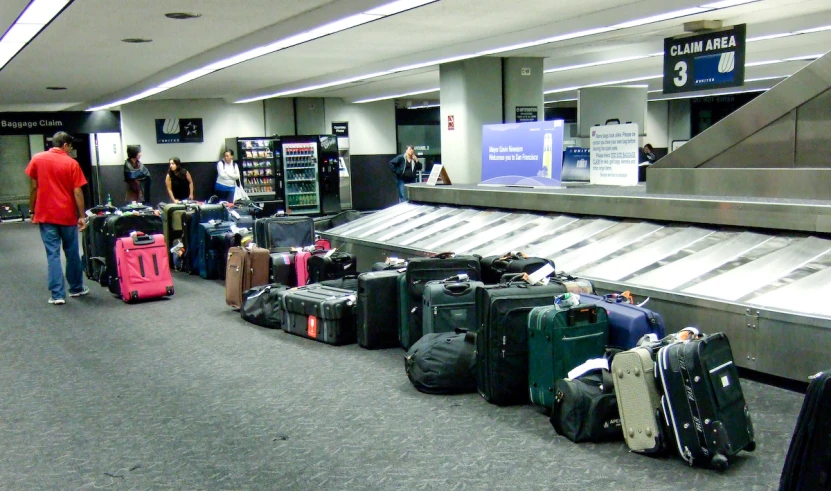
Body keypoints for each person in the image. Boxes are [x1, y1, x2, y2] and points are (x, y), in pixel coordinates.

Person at [25, 131, 89, 305]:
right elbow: (77, 191)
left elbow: (34, 188)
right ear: (66, 145)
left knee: (52, 254)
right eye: (70, 146)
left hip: (45, 215)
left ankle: (57, 295)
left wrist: (32, 211)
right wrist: (82, 216)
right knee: (72, 253)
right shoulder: (72, 163)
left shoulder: (37, 159)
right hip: (67, 215)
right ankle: (76, 288)